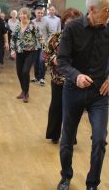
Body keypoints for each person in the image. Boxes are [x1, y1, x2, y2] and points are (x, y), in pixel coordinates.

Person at [56, 0, 109, 190]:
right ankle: (66, 177)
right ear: (92, 9)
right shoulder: (72, 28)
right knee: (67, 138)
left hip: (99, 94)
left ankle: (92, 184)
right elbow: (62, 62)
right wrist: (77, 76)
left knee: (100, 139)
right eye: (106, 10)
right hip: (73, 91)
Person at [44, 8, 82, 144]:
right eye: (68, 21)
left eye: (73, 22)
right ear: (64, 22)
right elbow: (46, 56)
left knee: (72, 109)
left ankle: (70, 137)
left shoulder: (82, 39)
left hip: (75, 80)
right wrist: (53, 59)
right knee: (56, 106)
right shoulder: (56, 37)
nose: (70, 24)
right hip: (58, 79)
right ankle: (54, 134)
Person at [10, 7, 43, 103]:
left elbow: (40, 38)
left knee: (25, 71)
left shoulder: (33, 25)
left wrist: (45, 50)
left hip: (31, 52)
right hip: (20, 52)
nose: (22, 16)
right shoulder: (17, 25)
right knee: (19, 72)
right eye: (21, 14)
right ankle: (23, 90)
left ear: (28, 15)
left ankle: (26, 93)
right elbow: (13, 38)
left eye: (24, 14)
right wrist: (12, 50)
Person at [31, 7, 51, 86]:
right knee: (35, 62)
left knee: (41, 61)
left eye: (41, 13)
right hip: (34, 45)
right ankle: (36, 77)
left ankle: (42, 78)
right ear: (35, 13)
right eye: (38, 13)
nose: (40, 14)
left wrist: (47, 41)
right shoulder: (32, 22)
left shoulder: (46, 22)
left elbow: (50, 32)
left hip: (43, 44)